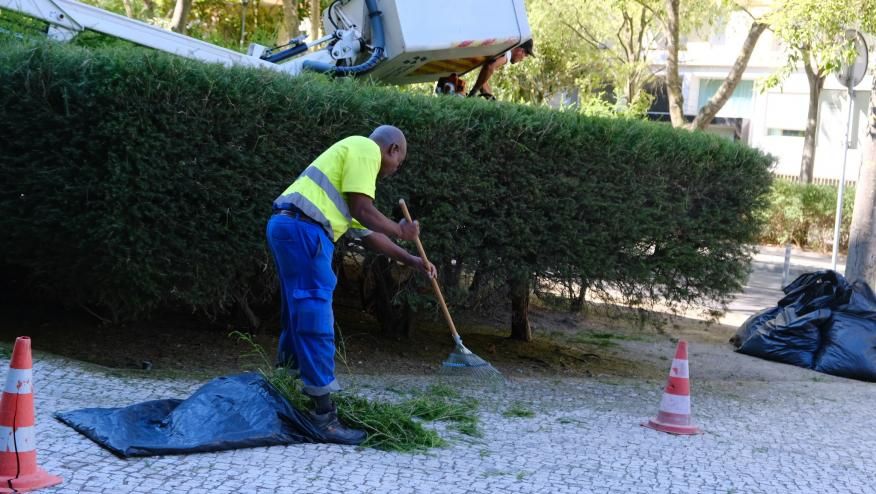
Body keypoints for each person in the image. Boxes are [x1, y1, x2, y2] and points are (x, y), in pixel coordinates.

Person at [267, 125, 437, 445]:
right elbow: (364, 210)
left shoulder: (348, 176)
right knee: (316, 316)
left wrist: (412, 260)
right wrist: (402, 229)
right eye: (397, 165)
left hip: (287, 226)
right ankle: (323, 416)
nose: (392, 172)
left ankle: (285, 391)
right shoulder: (364, 149)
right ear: (392, 150)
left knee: (297, 313)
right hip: (305, 230)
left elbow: (369, 233)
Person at [467, 39, 534, 100]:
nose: (522, 59)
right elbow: (489, 67)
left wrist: (491, 99)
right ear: (520, 50)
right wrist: (473, 92)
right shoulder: (506, 55)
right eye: (525, 55)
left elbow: (482, 80)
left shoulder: (503, 48)